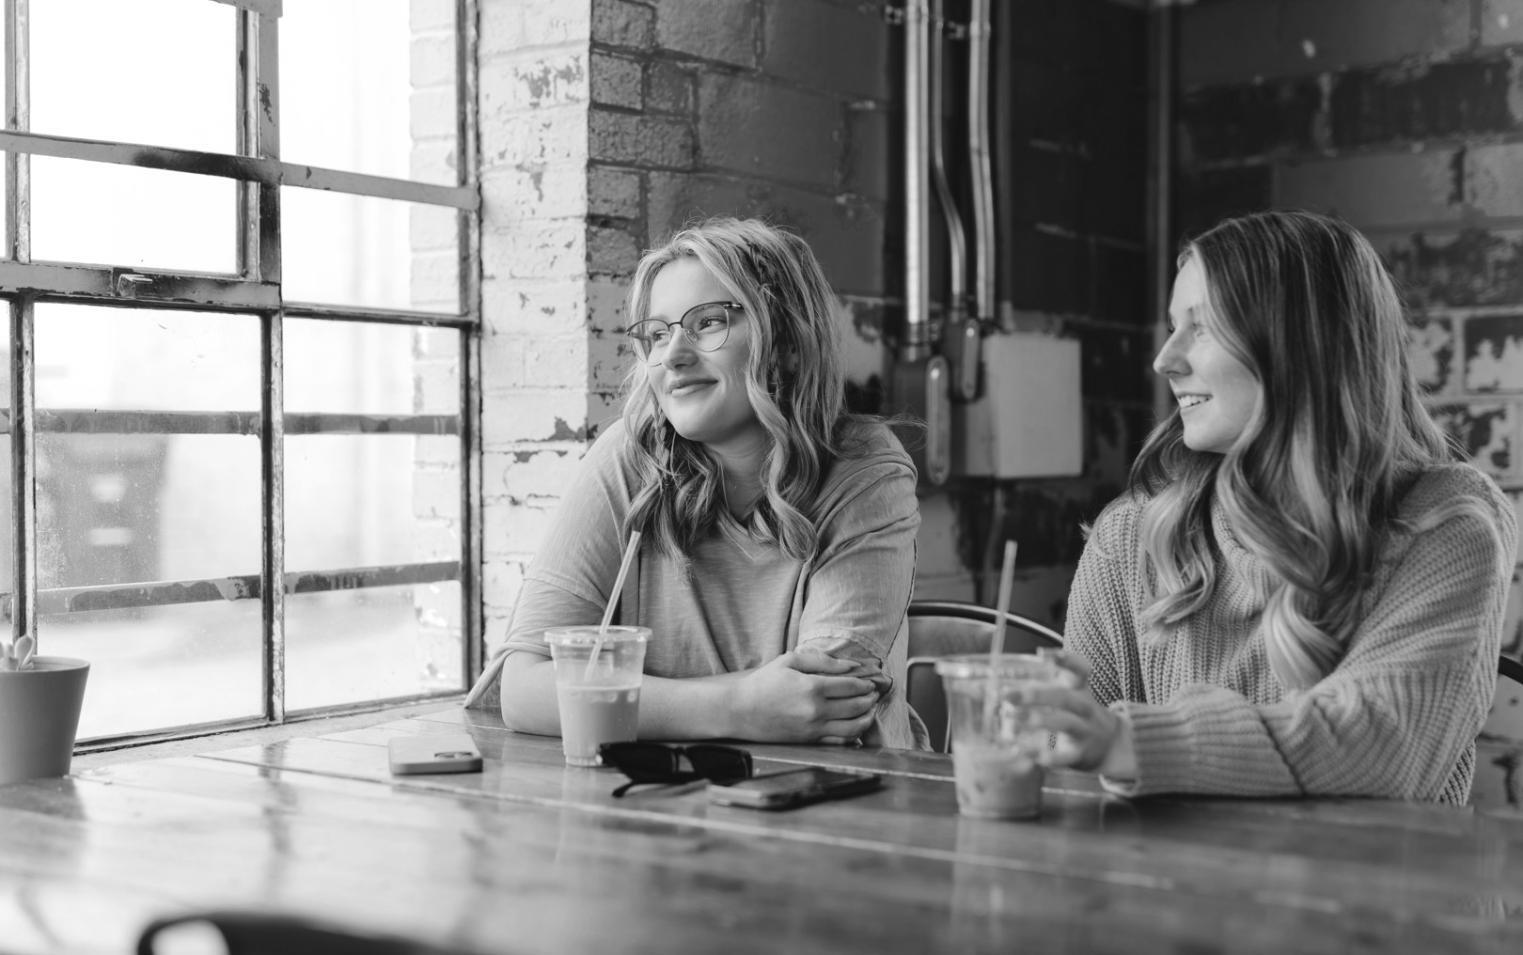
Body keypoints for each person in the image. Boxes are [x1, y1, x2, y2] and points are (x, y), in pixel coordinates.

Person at [1030, 210, 1516, 804]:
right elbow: (1070, 779)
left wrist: (1129, 742)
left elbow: (1382, 749)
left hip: (1379, 892)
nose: (1165, 359)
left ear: (1298, 345)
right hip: (1179, 892)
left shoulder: (1445, 524)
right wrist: (1055, 735)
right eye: (1170, 326)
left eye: (1201, 327)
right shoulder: (1132, 534)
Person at [467, 217, 927, 749]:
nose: (673, 356)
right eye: (658, 334)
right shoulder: (627, 459)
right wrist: (740, 706)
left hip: (834, 805)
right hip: (655, 807)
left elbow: (819, 707)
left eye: (708, 322)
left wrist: (622, 698)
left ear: (787, 342)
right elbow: (523, 690)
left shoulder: (863, 471)